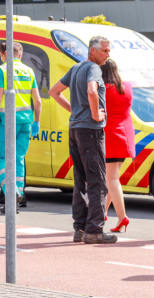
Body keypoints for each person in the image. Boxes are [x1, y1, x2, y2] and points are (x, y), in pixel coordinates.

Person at [49, 36, 117, 244]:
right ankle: (94, 230)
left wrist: (74, 110)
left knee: (81, 180)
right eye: (104, 51)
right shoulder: (94, 69)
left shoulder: (76, 67)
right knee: (97, 182)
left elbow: (54, 91)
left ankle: (79, 228)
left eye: (108, 51)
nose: (108, 55)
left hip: (76, 128)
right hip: (91, 130)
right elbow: (91, 91)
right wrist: (96, 114)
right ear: (93, 51)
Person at [0, 42, 42, 214]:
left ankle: (11, 192)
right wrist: (37, 121)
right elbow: (37, 101)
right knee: (18, 158)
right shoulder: (29, 71)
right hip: (26, 121)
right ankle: (19, 195)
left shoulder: (2, 70)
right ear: (20, 55)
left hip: (8, 121)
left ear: (3, 54)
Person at [101, 58, 135, 233]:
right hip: (125, 136)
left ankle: (122, 217)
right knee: (112, 178)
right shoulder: (126, 88)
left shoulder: (104, 90)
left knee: (111, 179)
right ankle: (103, 213)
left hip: (111, 137)